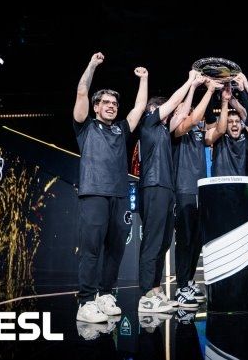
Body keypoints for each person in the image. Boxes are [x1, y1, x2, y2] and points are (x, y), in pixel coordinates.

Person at [73, 52, 148, 323]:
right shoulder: (85, 126)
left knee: (116, 249)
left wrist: (144, 79)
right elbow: (82, 91)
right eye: (105, 102)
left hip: (120, 195)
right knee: (92, 249)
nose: (111, 106)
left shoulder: (120, 129)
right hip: (94, 193)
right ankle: (85, 302)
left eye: (114, 103)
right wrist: (92, 65)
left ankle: (105, 294)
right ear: (96, 107)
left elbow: (139, 107)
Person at [137, 70, 202, 313]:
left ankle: (155, 290)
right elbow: (175, 103)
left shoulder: (164, 130)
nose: (169, 112)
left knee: (164, 242)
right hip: (153, 186)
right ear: (153, 110)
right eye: (162, 109)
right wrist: (189, 80)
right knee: (153, 242)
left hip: (167, 189)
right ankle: (146, 295)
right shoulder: (148, 123)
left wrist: (194, 88)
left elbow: (182, 113)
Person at [172, 78, 222, 305]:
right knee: (185, 240)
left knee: (196, 240)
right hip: (184, 189)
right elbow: (191, 119)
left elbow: (219, 130)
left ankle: (189, 280)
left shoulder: (200, 133)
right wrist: (208, 91)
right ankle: (181, 287)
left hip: (201, 190)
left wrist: (225, 101)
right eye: (184, 110)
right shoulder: (177, 131)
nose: (190, 113)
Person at [207, 74, 248, 176]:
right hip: (221, 184)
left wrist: (242, 90)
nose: (234, 124)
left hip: (244, 183)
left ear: (242, 124)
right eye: (230, 122)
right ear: (225, 125)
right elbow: (209, 117)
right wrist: (211, 90)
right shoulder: (219, 137)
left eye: (237, 121)